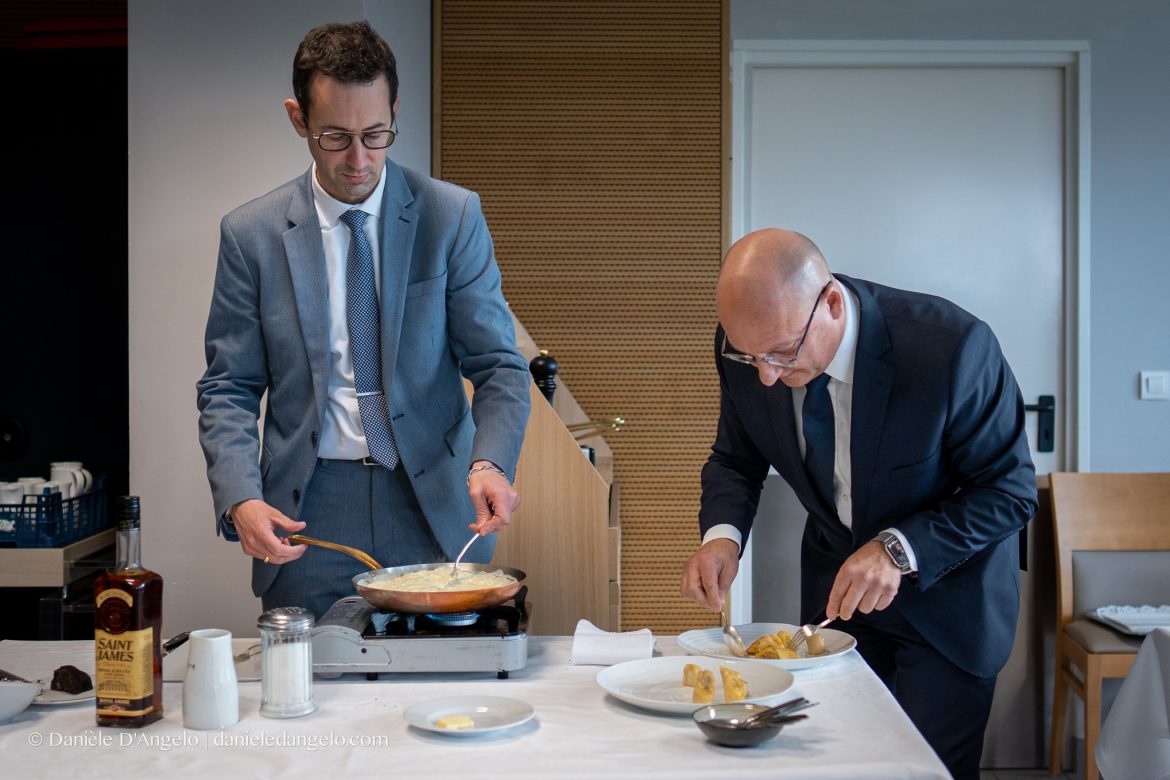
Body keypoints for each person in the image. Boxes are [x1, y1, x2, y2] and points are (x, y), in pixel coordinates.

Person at [196, 21, 531, 621]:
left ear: (394, 111)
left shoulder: (450, 216)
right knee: (310, 700)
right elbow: (229, 386)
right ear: (298, 119)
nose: (359, 160)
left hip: (433, 503)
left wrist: (492, 462)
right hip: (309, 513)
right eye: (335, 136)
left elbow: (499, 366)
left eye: (376, 134)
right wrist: (241, 497)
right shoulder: (251, 235)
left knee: (438, 699)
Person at [680, 228, 1036, 779]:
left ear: (832, 304)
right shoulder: (748, 347)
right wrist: (722, 537)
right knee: (831, 761)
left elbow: (1008, 491)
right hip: (835, 603)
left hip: (948, 607)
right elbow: (736, 458)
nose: (768, 376)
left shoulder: (951, 348)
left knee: (921, 770)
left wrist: (897, 550)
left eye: (782, 353)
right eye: (752, 358)